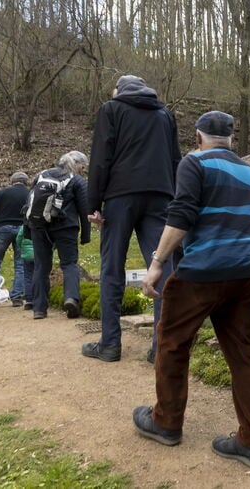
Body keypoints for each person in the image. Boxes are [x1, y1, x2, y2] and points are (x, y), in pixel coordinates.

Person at [132, 111, 250, 470]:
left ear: (198, 137)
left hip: (205, 270)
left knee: (173, 342)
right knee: (244, 355)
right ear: (231, 139)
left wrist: (158, 262)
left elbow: (182, 213)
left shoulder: (193, 163)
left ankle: (166, 422)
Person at [84, 75, 181, 362]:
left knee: (112, 267)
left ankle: (110, 344)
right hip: (161, 195)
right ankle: (161, 349)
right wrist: (176, 199)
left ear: (118, 90)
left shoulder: (112, 109)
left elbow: (101, 157)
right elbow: (176, 160)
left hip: (120, 196)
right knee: (163, 267)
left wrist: (94, 203)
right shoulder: (166, 115)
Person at [28, 151, 91, 320]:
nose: (83, 169)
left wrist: (29, 229)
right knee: (69, 264)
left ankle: (39, 309)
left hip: (39, 226)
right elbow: (85, 209)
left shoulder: (41, 176)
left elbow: (30, 203)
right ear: (76, 164)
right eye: (83, 166)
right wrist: (86, 234)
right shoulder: (76, 180)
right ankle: (71, 299)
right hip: (66, 226)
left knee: (41, 266)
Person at [0, 171, 30, 308]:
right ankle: (18, 297)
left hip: (2, 229)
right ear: (26, 182)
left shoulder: (2, 193)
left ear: (12, 181)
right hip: (23, 228)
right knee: (20, 263)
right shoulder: (30, 193)